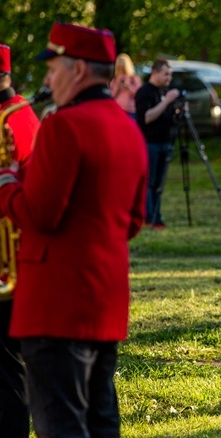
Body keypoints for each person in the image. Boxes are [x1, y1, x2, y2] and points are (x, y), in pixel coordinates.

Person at [0, 22, 148, 437]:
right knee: (100, 421)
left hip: (56, 305)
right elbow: (133, 222)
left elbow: (40, 214)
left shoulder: (64, 126)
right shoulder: (127, 127)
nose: (47, 78)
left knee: (61, 424)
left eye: (54, 67)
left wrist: (7, 183)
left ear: (78, 70)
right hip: (105, 299)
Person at [0, 44, 41, 438]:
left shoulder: (11, 120)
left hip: (11, 263)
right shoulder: (22, 115)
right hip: (13, 260)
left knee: (8, 369)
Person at [135, 59, 182, 229]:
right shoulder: (145, 92)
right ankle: (149, 216)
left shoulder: (165, 91)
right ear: (155, 72)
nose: (169, 78)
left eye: (170, 74)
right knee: (150, 181)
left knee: (159, 183)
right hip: (150, 143)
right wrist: (166, 101)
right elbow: (147, 117)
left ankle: (157, 215)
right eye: (166, 74)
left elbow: (169, 118)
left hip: (165, 142)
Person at [109, 52, 142, 120]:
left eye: (123, 67)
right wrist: (117, 86)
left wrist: (128, 86)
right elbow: (111, 95)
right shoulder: (115, 79)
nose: (121, 69)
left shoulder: (133, 78)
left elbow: (139, 94)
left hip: (130, 110)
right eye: (119, 67)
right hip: (117, 109)